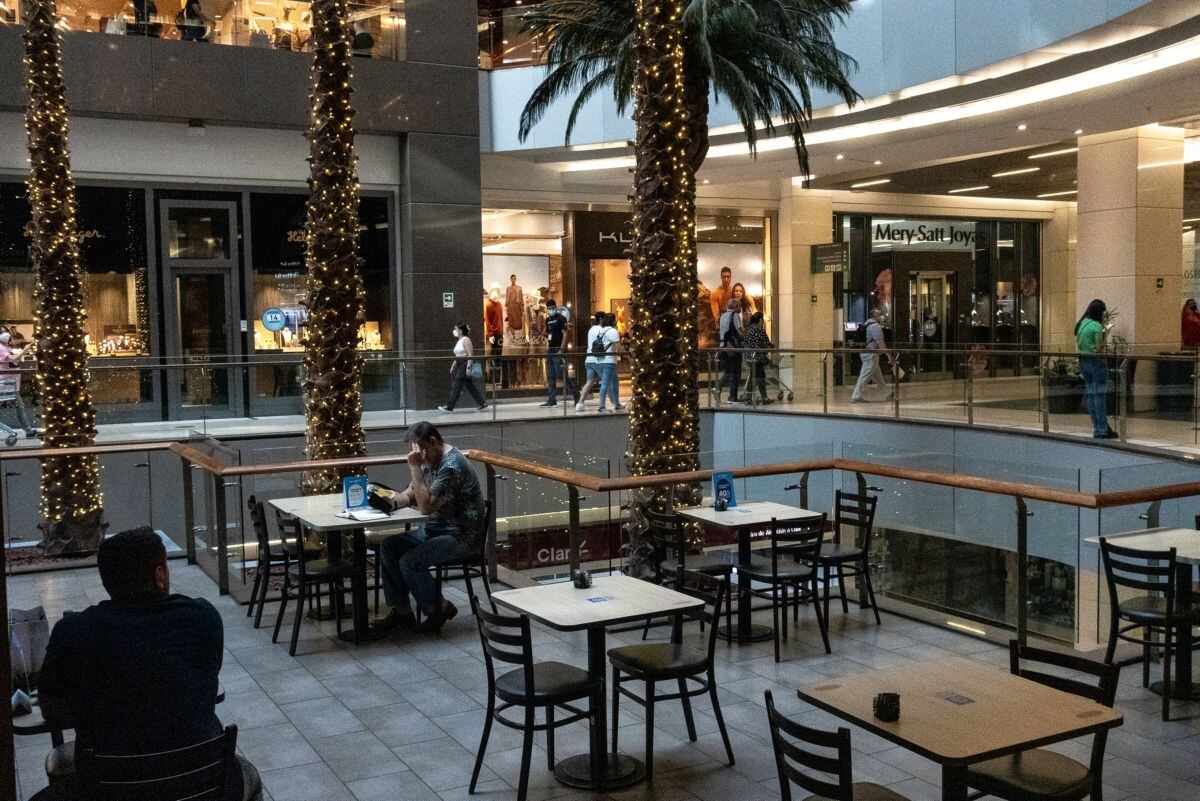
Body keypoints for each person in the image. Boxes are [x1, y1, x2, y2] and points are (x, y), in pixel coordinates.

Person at [31, 528, 257, 801]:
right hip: (203, 783)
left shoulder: (73, 632)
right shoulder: (202, 618)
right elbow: (206, 684)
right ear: (159, 574)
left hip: (110, 790)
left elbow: (52, 710)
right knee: (244, 772)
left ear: (107, 580)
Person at [376, 422, 486, 633]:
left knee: (410, 561)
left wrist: (414, 467)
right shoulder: (429, 459)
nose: (416, 455)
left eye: (420, 449)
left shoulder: (451, 466)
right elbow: (412, 493)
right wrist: (391, 502)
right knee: (390, 547)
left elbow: (425, 506)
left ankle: (439, 608)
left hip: (460, 535)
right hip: (435, 530)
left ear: (433, 442)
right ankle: (402, 611)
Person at [1076, 298, 1116, 439]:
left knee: (1091, 395)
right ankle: (1103, 429)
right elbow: (1100, 348)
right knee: (1099, 396)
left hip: (1083, 362)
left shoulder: (1083, 323)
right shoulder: (1097, 327)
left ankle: (1097, 428)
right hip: (1096, 363)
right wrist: (1106, 334)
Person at [439, 323, 487, 413]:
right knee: (470, 386)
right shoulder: (459, 340)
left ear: (461, 331)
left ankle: (449, 406)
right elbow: (458, 354)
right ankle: (482, 403)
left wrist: (468, 367)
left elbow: (470, 355)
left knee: (457, 385)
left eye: (456, 329)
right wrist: (453, 365)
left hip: (465, 364)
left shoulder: (466, 340)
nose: (454, 331)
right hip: (459, 364)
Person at [0, 326, 38, 438]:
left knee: (20, 406)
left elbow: (15, 358)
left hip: (11, 383)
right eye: (1, 332)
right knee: (19, 406)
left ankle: (28, 430)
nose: (5, 334)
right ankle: (28, 430)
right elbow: (13, 359)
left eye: (6, 331)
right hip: (5, 383)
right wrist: (25, 349)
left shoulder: (7, 347)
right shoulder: (1, 348)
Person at [851, 307, 893, 403]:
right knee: (864, 375)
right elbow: (880, 341)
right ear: (875, 315)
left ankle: (888, 392)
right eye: (880, 314)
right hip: (871, 354)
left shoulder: (866, 324)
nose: (881, 316)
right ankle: (856, 396)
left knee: (877, 376)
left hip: (865, 352)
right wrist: (888, 354)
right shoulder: (875, 326)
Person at [541, 299, 571, 407]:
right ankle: (552, 399)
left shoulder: (561, 319)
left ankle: (576, 394)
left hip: (558, 349)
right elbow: (550, 334)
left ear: (556, 307)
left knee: (562, 375)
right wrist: (544, 334)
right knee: (551, 376)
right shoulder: (548, 320)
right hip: (550, 350)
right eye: (549, 308)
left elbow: (565, 334)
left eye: (553, 308)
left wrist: (561, 349)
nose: (551, 310)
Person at [575, 311, 606, 412]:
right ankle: (608, 405)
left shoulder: (591, 329)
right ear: (601, 319)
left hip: (589, 359)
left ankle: (580, 403)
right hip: (598, 360)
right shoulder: (601, 329)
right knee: (606, 381)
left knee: (589, 381)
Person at [742, 312, 773, 405]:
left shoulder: (748, 330)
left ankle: (750, 397)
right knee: (760, 377)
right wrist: (772, 347)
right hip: (758, 358)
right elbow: (767, 343)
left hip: (749, 357)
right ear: (760, 320)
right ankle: (763, 398)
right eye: (762, 320)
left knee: (754, 375)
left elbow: (744, 343)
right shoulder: (760, 330)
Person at [718, 297, 744, 404]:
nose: (740, 308)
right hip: (733, 347)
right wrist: (745, 338)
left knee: (729, 370)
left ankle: (718, 388)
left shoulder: (723, 315)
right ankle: (732, 396)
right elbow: (739, 331)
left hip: (724, 346)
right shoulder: (735, 315)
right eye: (739, 306)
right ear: (735, 306)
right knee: (735, 371)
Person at [596, 312, 623, 412]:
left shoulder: (601, 330)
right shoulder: (613, 331)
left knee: (614, 381)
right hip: (609, 360)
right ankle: (601, 406)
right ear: (613, 320)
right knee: (606, 383)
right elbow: (617, 347)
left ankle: (617, 403)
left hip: (601, 359)